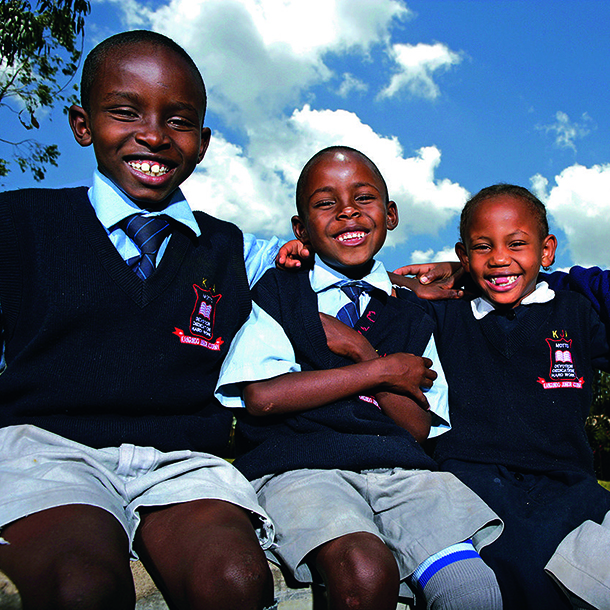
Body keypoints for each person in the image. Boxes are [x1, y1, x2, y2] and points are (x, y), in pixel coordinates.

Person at [0, 30, 307, 610]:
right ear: (83, 125)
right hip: (48, 447)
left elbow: (315, 269)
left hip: (179, 459)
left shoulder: (225, 246)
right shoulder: (21, 223)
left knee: (238, 578)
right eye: (125, 111)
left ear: (204, 142)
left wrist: (450, 274)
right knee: (82, 586)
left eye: (179, 119)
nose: (153, 135)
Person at [216, 146, 503, 610]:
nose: (347, 211)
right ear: (300, 228)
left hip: (401, 473)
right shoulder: (279, 293)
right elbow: (262, 397)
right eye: (325, 203)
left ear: (389, 215)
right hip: (301, 467)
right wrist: (384, 370)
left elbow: (416, 426)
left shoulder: (413, 313)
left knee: (472, 589)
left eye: (363, 198)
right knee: (364, 571)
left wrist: (362, 350)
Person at [398, 184, 610, 610]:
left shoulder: (576, 312)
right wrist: (399, 282)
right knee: (515, 566)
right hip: (471, 479)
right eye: (482, 247)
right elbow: (366, 296)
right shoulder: (443, 314)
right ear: (462, 256)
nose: (498, 258)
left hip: (569, 480)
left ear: (547, 250)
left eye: (517, 243)